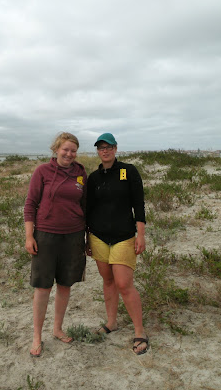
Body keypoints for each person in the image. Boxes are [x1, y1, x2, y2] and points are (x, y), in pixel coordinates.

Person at [24, 132, 87, 357]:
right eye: (65, 149)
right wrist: (29, 236)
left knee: (65, 285)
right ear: (56, 149)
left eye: (73, 150)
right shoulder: (42, 171)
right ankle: (37, 336)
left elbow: (85, 205)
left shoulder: (81, 173)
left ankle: (58, 328)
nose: (69, 154)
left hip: (73, 236)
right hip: (46, 236)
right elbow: (30, 204)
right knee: (43, 287)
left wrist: (86, 238)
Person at [86, 133, 149, 355]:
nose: (105, 150)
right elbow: (88, 210)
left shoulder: (128, 171)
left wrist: (140, 234)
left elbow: (138, 204)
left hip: (123, 236)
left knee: (124, 283)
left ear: (115, 148)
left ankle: (140, 331)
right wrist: (87, 237)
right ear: (97, 151)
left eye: (109, 147)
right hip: (99, 237)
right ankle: (111, 322)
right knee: (108, 280)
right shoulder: (93, 178)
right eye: (101, 147)